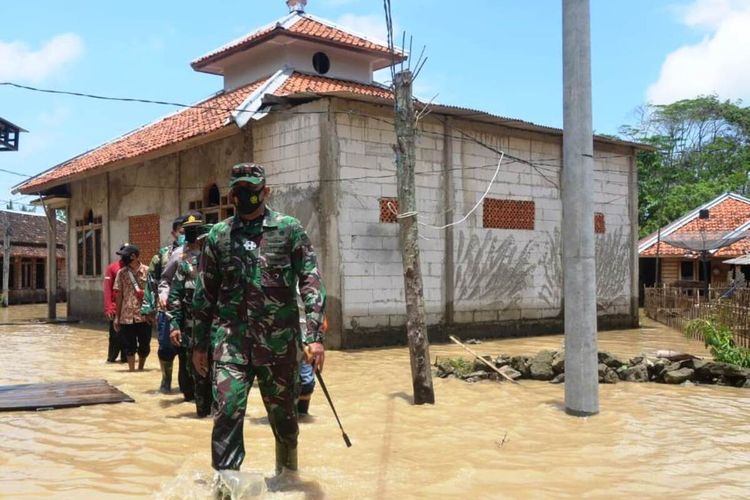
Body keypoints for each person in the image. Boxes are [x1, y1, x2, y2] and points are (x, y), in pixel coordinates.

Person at [191, 162, 326, 476]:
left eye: (251, 190)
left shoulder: (288, 230)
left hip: (279, 347)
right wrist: (198, 345)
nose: (245, 197)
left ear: (265, 191)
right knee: (226, 414)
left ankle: (288, 480)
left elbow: (310, 280)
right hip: (231, 346)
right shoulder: (219, 236)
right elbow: (205, 293)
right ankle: (227, 489)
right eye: (238, 191)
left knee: (286, 423)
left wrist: (316, 337)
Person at [167, 219, 213, 416]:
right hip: (191, 331)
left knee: (223, 382)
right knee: (197, 377)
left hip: (222, 334)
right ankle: (202, 413)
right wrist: (174, 325)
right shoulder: (186, 265)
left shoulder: (229, 266)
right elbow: (175, 296)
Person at [141, 216, 185, 393]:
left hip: (191, 309)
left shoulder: (201, 252)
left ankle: (187, 386)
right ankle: (166, 381)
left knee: (189, 349)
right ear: (174, 233)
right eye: (181, 232)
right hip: (167, 309)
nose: (184, 235)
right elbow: (152, 281)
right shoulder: (163, 255)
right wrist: (148, 308)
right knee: (166, 347)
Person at [114, 244, 151, 372]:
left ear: (133, 256)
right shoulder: (121, 273)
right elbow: (118, 296)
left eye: (124, 256)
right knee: (129, 347)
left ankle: (141, 368)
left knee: (145, 346)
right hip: (126, 316)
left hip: (144, 315)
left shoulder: (147, 271)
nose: (121, 259)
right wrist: (117, 317)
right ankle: (132, 371)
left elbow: (154, 292)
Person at [104, 245, 127, 363]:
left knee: (127, 337)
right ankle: (111, 358)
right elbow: (107, 289)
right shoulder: (112, 268)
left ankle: (125, 358)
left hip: (129, 309)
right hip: (115, 308)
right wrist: (108, 308)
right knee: (115, 336)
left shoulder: (133, 268)